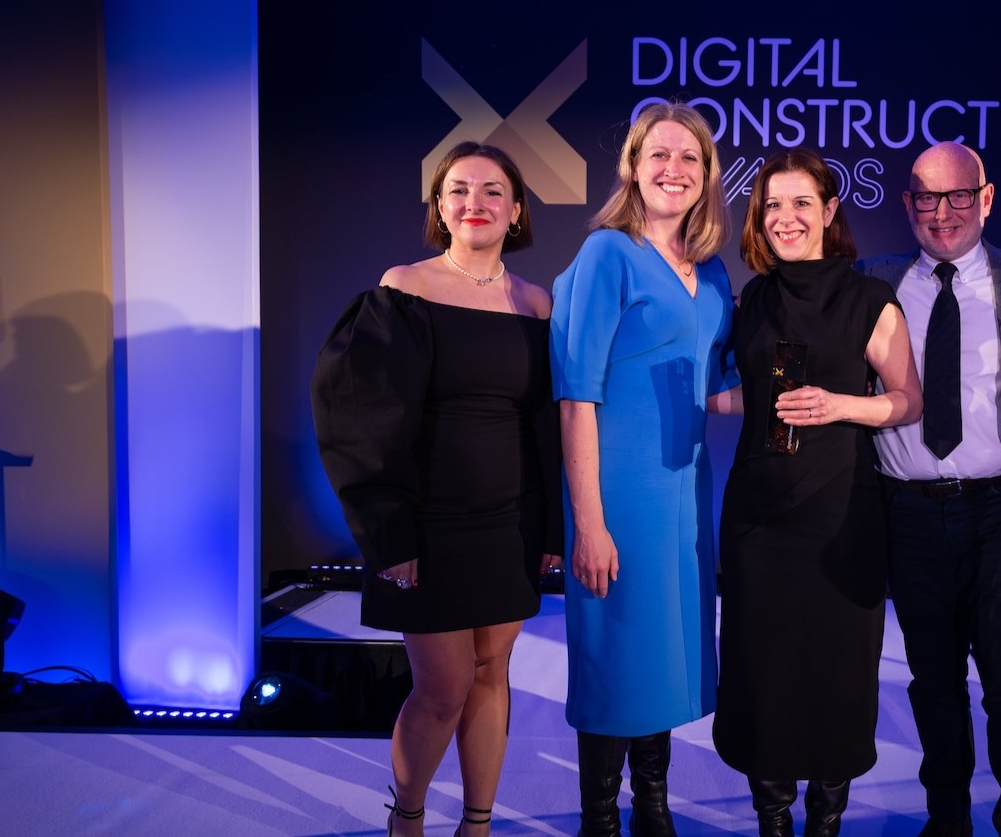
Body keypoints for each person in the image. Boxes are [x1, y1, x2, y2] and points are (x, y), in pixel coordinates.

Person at [311, 141, 561, 837]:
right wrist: (389, 531)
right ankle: (408, 816)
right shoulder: (404, 289)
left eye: (491, 191)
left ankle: (477, 824)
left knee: (491, 674)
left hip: (511, 522)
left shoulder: (538, 305)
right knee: (442, 688)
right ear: (439, 208)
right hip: (429, 525)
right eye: (458, 190)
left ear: (516, 212)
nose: (474, 203)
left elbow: (546, 429)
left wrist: (550, 534)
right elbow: (358, 417)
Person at [857, 141, 1001, 837]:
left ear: (986, 197)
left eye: (957, 196)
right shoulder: (872, 285)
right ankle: (946, 820)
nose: (941, 214)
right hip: (909, 514)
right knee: (935, 684)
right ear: (906, 205)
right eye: (926, 197)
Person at [711, 147, 923, 837]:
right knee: (761, 674)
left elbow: (907, 401)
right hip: (758, 519)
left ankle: (825, 821)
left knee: (835, 674)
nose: (786, 217)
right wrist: (694, 398)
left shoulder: (868, 299)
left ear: (830, 212)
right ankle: (773, 821)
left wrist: (841, 406)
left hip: (840, 514)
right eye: (772, 205)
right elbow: (764, 397)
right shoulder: (752, 299)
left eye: (802, 202)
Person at [550, 100, 737, 837]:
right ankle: (600, 815)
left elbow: (718, 392)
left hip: (686, 496)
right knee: (614, 649)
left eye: (689, 158)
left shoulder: (715, 272)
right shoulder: (606, 254)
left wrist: (814, 396)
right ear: (632, 166)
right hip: (616, 494)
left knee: (660, 655)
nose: (673, 169)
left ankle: (652, 804)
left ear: (706, 175)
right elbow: (576, 398)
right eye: (658, 154)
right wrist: (588, 522)